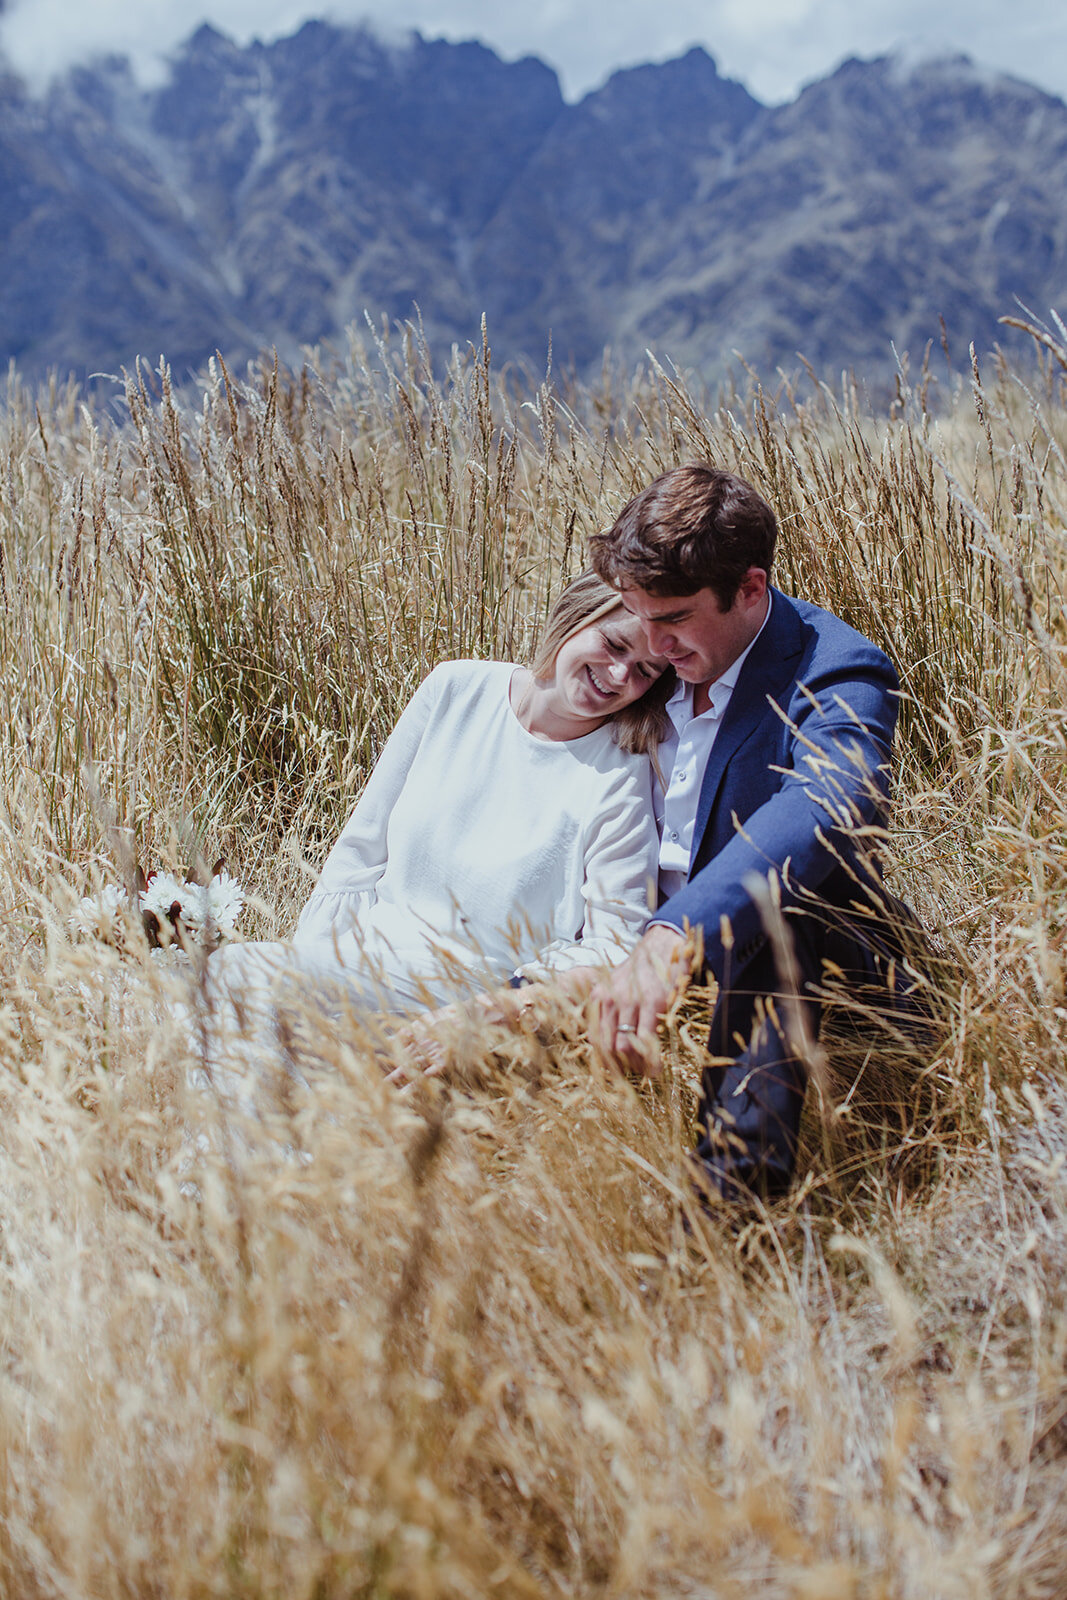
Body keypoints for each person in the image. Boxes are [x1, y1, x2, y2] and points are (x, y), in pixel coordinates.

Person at [585, 463, 928, 1203]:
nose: (648, 643)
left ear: (750, 588)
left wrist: (676, 930)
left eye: (672, 620)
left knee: (779, 915)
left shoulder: (833, 667)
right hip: (605, 923)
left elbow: (833, 801)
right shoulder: (636, 652)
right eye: (636, 614)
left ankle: (727, 1216)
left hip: (775, 952)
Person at [203, 572, 673, 1056]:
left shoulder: (620, 775)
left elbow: (616, 944)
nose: (620, 676)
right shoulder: (457, 688)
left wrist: (503, 1009)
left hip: (470, 996)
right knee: (221, 1006)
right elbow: (359, 855)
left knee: (234, 975)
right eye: (615, 645)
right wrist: (306, 966)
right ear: (575, 616)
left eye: (644, 672)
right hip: (364, 962)